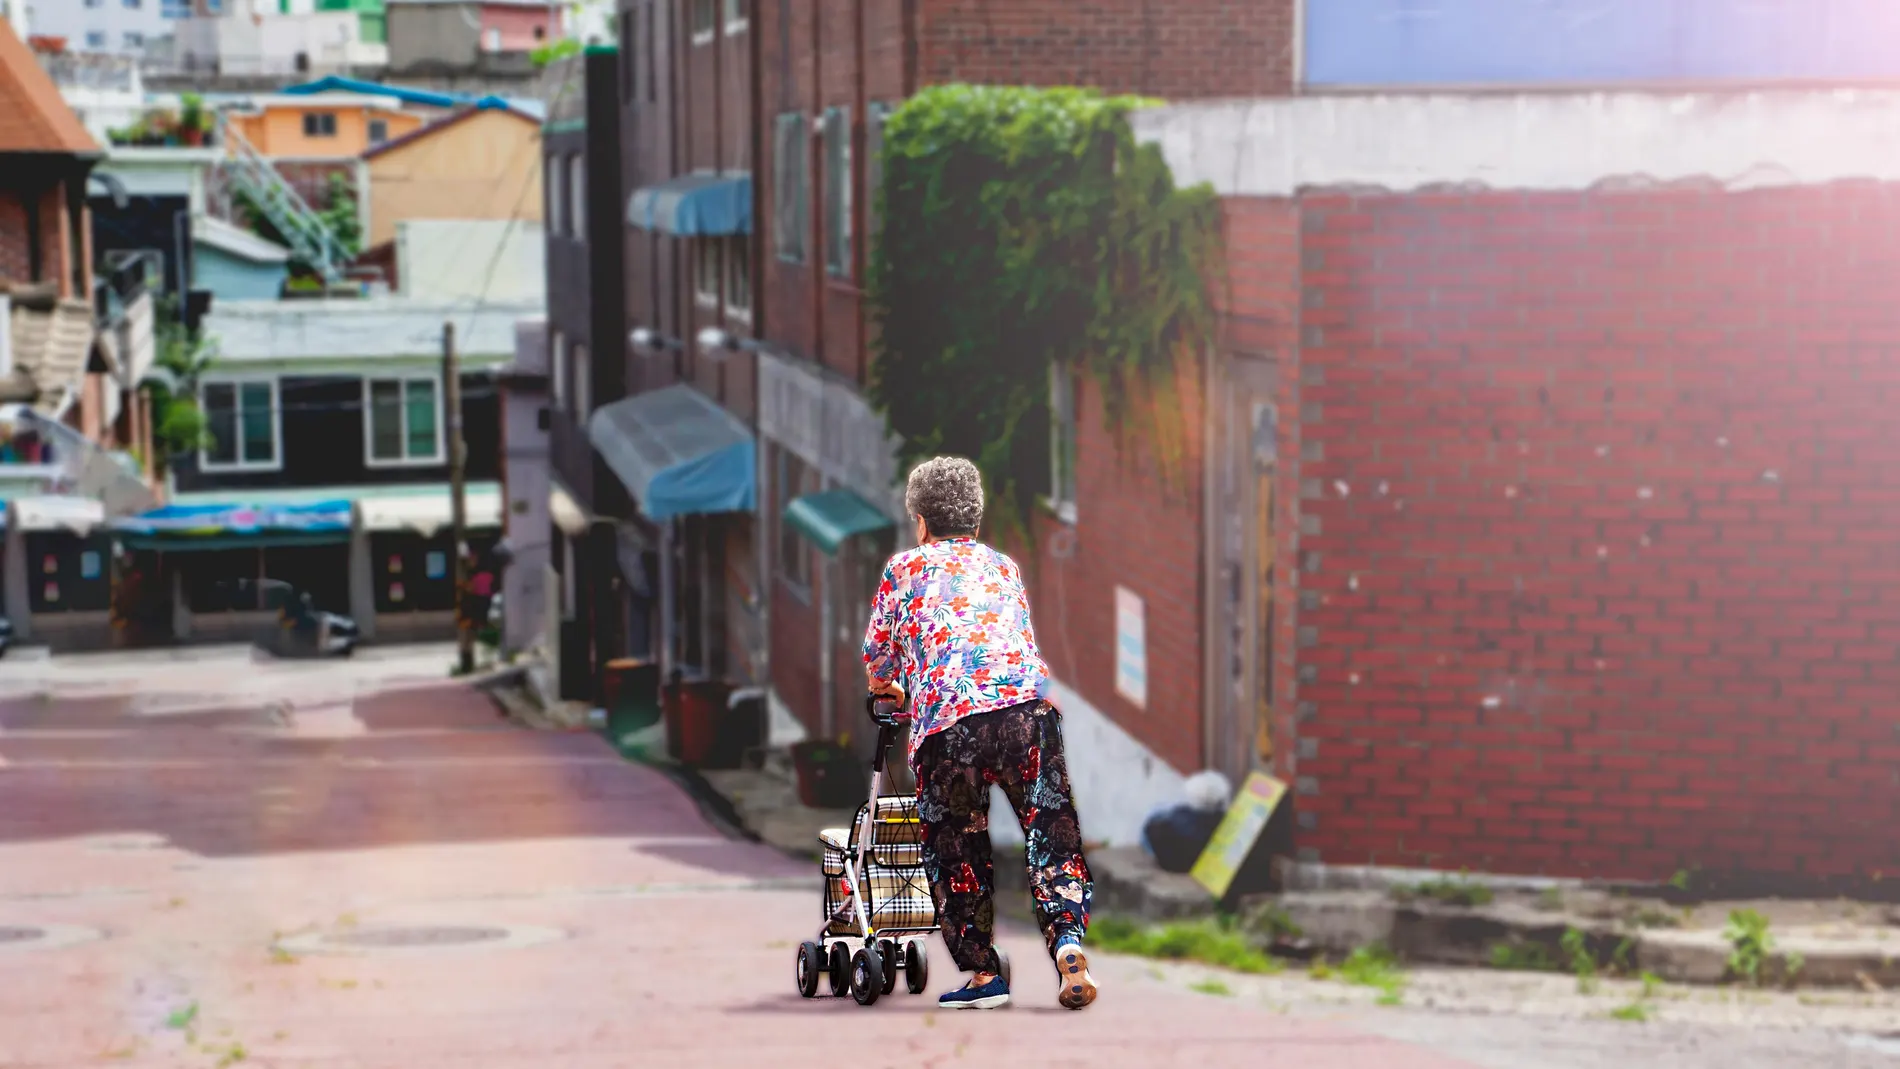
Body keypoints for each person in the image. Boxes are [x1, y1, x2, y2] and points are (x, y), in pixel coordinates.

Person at [862, 456, 1096, 1012]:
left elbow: (879, 658)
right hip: (1028, 713)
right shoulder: (1003, 566)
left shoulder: (903, 569)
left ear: (921, 521)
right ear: (975, 517)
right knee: (1051, 831)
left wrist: (892, 690)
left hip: (950, 725)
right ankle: (1067, 940)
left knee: (958, 846)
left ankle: (984, 974)